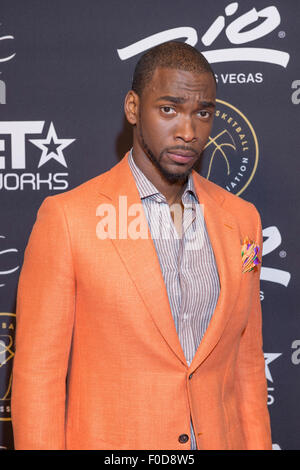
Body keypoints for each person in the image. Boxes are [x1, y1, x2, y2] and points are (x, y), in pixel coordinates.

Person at [11, 41, 272, 450]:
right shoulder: (67, 218)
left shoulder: (243, 220)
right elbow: (37, 378)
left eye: (202, 112)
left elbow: (248, 365)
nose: (188, 132)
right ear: (133, 108)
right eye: (168, 109)